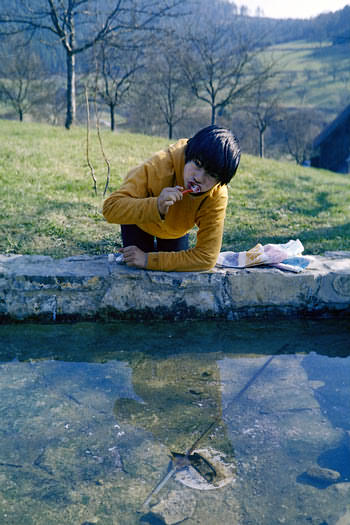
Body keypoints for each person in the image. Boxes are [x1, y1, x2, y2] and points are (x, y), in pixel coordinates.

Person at [103, 125, 240, 272]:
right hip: (139, 222)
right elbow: (110, 208)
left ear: (220, 181)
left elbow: (206, 258)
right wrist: (156, 206)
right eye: (197, 164)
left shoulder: (216, 194)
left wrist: (148, 260)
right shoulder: (160, 164)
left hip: (175, 231)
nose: (199, 178)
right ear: (189, 153)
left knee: (172, 278)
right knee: (136, 273)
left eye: (212, 175)